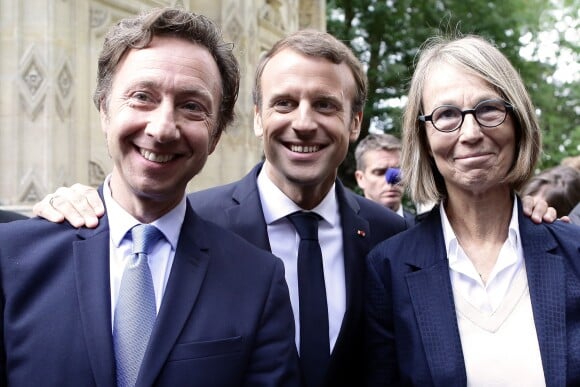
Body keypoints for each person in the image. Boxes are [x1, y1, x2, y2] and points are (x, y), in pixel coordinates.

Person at [32, 29, 558, 387]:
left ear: (354, 124)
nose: (303, 123)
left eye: (326, 105)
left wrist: (528, 217)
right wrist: (75, 205)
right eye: (284, 103)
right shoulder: (193, 224)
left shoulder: (389, 238)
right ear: (259, 117)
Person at [0, 8, 300, 386]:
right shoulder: (12, 259)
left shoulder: (256, 279)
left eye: (192, 106)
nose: (162, 128)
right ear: (105, 110)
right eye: (142, 97)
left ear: (216, 135)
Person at [364, 34, 580, 386]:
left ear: (518, 120)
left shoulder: (573, 251)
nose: (471, 133)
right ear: (424, 138)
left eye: (488, 109)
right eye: (446, 115)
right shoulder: (389, 269)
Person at [354, 133, 417, 226]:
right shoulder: (347, 228)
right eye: (380, 172)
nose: (391, 180)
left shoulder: (424, 229)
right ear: (360, 178)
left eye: (397, 171)